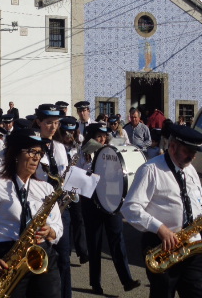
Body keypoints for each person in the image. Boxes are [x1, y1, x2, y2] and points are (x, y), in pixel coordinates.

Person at [122, 124, 202, 298]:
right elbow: (130, 208)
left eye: (195, 152)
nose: (193, 156)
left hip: (192, 246)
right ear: (172, 147)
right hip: (162, 246)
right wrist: (161, 229)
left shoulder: (190, 169)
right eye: (188, 151)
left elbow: (197, 204)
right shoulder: (151, 170)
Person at [0, 127, 64, 298]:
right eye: (31, 152)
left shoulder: (46, 188)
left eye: (39, 153)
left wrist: (50, 231)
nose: (36, 157)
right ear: (16, 154)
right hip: (7, 257)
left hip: (41, 254)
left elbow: (58, 225)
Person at [77, 123, 140, 295]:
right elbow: (77, 178)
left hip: (111, 199)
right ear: (91, 137)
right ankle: (95, 283)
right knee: (94, 243)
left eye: (104, 136)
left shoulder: (111, 151)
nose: (102, 139)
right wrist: (88, 168)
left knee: (117, 239)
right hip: (91, 201)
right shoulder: (83, 153)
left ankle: (127, 280)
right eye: (98, 136)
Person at [33, 104, 73, 298]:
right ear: (39, 122)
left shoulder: (60, 147)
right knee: (42, 256)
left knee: (64, 258)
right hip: (39, 207)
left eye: (56, 123)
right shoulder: (32, 146)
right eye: (49, 122)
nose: (53, 127)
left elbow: (66, 174)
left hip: (61, 208)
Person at [57, 116, 89, 266]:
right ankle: (66, 251)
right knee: (65, 220)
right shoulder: (57, 146)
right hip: (61, 185)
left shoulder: (78, 146)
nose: (69, 136)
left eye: (71, 133)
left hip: (75, 184)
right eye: (66, 133)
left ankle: (83, 252)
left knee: (79, 218)